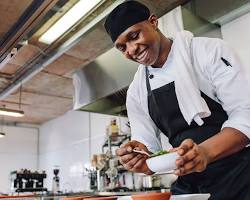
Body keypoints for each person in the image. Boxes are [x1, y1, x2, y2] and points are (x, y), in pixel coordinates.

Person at [104, 1, 250, 199]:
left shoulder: (208, 51)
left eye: (134, 36)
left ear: (153, 22)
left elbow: (245, 114)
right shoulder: (136, 92)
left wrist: (204, 152)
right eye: (122, 47)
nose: (131, 50)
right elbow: (149, 155)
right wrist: (138, 159)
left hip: (240, 177)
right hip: (189, 185)